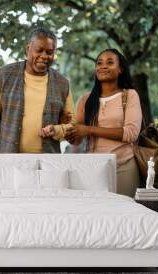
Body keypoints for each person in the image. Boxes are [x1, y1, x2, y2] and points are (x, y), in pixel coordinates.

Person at [0, 27, 76, 153]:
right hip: (8, 160)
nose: (44, 56)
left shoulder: (62, 83)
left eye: (49, 52)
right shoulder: (5, 75)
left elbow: (72, 125)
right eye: (39, 50)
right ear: (28, 49)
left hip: (48, 162)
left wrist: (57, 130)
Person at [62, 48, 142, 197]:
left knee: (124, 215)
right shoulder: (85, 100)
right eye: (99, 63)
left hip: (124, 167)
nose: (103, 66)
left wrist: (89, 130)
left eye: (110, 62)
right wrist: (68, 130)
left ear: (120, 70)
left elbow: (131, 133)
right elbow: (77, 140)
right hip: (93, 170)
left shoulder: (130, 95)